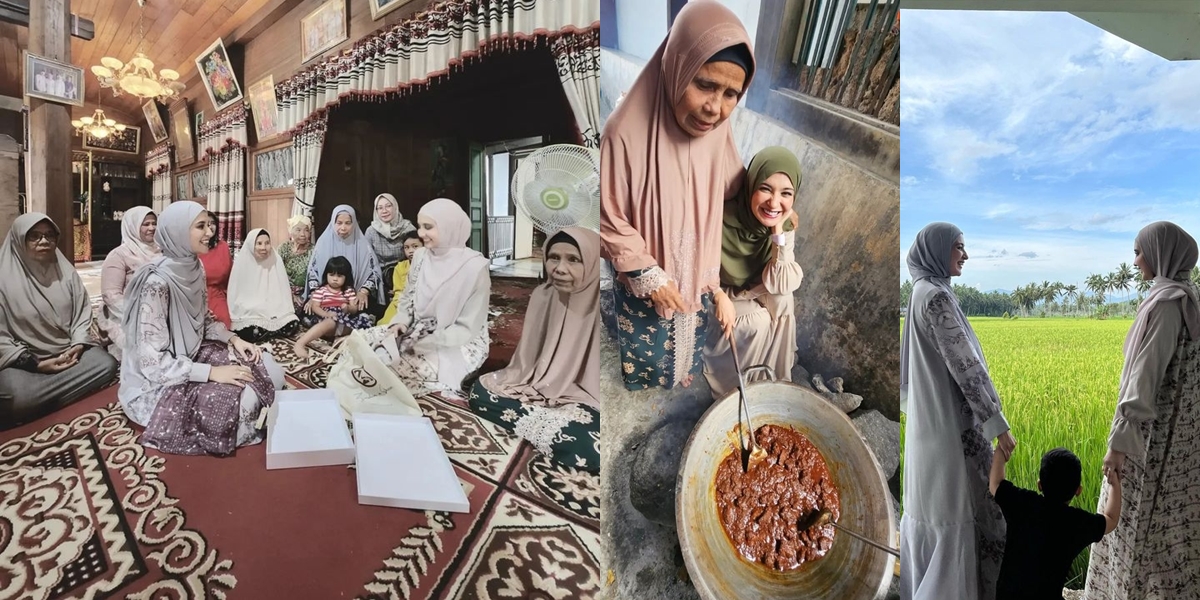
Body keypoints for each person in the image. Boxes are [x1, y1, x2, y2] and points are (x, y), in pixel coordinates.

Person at [600, 0, 754, 390]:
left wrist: (777, 209)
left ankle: (681, 371)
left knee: (689, 329)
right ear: (675, 66)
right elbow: (607, 216)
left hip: (697, 263)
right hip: (647, 270)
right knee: (647, 337)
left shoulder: (718, 130)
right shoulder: (623, 132)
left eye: (731, 94)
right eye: (704, 84)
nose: (714, 109)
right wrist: (651, 276)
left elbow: (733, 184)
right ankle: (649, 380)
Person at [899, 222, 1016, 600]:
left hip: (925, 427)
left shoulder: (919, 292)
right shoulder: (936, 297)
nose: (965, 255)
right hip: (949, 431)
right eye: (959, 247)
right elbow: (968, 369)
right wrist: (998, 424)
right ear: (937, 250)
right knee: (957, 515)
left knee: (931, 516)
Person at [1084, 221, 1200, 598]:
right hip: (1182, 444)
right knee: (1173, 528)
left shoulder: (1166, 305)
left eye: (1139, 251)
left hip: (1148, 443)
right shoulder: (1189, 298)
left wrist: (1117, 446)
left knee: (1132, 520)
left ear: (1161, 254)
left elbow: (1143, 378)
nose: (1135, 261)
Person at [118, 201, 284, 456]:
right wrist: (211, 373)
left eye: (209, 225)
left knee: (270, 368)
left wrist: (233, 339)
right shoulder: (157, 283)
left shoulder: (194, 267)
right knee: (242, 403)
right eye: (201, 226)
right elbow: (153, 363)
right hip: (162, 377)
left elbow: (204, 320)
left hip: (194, 351)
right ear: (177, 232)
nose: (210, 232)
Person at [469, 228, 600, 472]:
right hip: (535, 385)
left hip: (586, 396)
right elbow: (525, 363)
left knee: (592, 443)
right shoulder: (543, 295)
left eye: (573, 259)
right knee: (482, 392)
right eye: (553, 257)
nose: (559, 268)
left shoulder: (606, 302)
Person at [702, 146, 804, 398]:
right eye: (766, 189)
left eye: (786, 194)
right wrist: (717, 295)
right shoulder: (721, 217)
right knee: (757, 322)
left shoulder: (784, 224)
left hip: (756, 287)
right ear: (751, 185)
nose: (774, 202)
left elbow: (781, 282)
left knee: (783, 300)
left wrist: (778, 233)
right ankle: (735, 388)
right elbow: (698, 264)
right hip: (716, 290)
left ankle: (775, 378)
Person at [0, 214, 118, 429]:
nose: (44, 241)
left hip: (67, 353)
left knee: (106, 365)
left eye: (49, 235)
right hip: (24, 362)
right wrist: (36, 364)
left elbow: (81, 314)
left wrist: (78, 344)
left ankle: (42, 402)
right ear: (19, 240)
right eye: (34, 236)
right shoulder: (2, 277)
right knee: (15, 395)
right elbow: (1, 339)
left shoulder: (65, 271)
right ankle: (48, 396)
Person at [386, 198, 490, 399]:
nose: (421, 233)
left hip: (458, 341)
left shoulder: (474, 267)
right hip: (417, 328)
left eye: (428, 227)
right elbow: (408, 296)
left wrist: (431, 341)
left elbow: (468, 326)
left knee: (397, 373)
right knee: (368, 350)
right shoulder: (420, 256)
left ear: (449, 227)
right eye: (419, 226)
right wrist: (400, 322)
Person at [990, 447, 1119, 600]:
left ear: (1039, 485)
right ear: (1078, 491)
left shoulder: (1023, 503)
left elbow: (995, 484)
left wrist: (1001, 449)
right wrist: (1114, 483)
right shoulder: (1077, 523)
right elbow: (1111, 519)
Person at [99, 207, 160, 360]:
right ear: (132, 226)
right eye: (145, 224)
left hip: (160, 312)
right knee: (144, 356)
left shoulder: (162, 251)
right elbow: (111, 295)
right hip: (127, 316)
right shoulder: (119, 255)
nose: (151, 228)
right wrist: (141, 315)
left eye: (154, 223)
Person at [304, 205, 384, 316]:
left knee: (370, 309)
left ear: (354, 223)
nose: (343, 228)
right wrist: (314, 295)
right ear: (333, 222)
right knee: (308, 310)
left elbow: (373, 272)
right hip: (326, 298)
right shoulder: (323, 243)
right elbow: (313, 272)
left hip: (354, 297)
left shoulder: (363, 244)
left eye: (348, 223)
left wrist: (363, 291)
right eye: (339, 223)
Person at [293, 256, 376, 359]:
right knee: (330, 322)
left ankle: (340, 338)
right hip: (326, 320)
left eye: (339, 276)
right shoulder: (322, 290)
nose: (335, 279)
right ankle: (300, 343)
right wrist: (326, 314)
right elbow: (315, 306)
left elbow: (354, 308)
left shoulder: (348, 291)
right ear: (326, 275)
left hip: (344, 320)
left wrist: (348, 308)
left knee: (360, 326)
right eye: (331, 275)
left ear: (346, 277)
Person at [228, 229, 301, 343]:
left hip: (273, 308)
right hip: (251, 310)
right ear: (251, 245)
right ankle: (269, 332)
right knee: (249, 331)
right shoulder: (242, 263)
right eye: (259, 243)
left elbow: (282, 291)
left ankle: (266, 332)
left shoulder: (276, 259)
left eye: (267, 243)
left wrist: (273, 305)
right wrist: (257, 306)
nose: (264, 247)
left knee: (293, 324)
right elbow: (237, 297)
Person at [365, 193, 417, 296]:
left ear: (395, 207)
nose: (384, 211)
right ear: (376, 211)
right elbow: (368, 261)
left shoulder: (408, 228)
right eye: (380, 208)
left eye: (388, 206)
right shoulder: (371, 231)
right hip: (379, 277)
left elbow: (417, 257)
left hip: (405, 274)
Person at [381, 231, 423, 324]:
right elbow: (398, 293)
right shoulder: (400, 267)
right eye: (406, 248)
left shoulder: (430, 266)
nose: (410, 251)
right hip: (400, 305)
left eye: (415, 246)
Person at [199, 220, 233, 328]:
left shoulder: (222, 246)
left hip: (218, 293)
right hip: (196, 294)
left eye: (212, 223)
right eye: (203, 224)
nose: (209, 227)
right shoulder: (193, 247)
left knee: (223, 322)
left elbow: (230, 274)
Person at [278, 213, 314, 309]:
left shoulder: (314, 250)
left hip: (307, 292)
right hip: (284, 291)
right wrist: (289, 293)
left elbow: (317, 275)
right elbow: (276, 272)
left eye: (306, 230)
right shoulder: (284, 248)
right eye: (298, 230)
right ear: (290, 231)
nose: (302, 234)